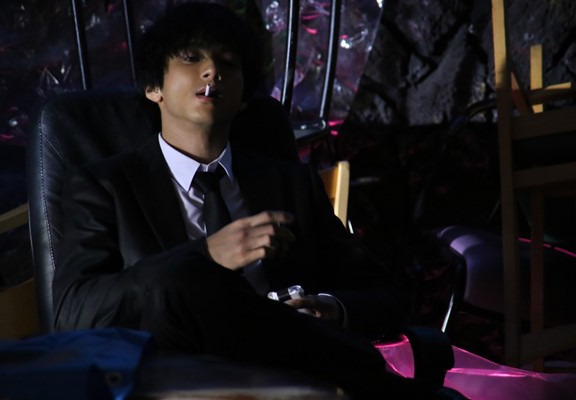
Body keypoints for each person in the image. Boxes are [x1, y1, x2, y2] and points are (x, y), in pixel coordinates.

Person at [54, 2, 463, 398]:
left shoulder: (290, 184)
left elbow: (383, 293)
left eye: (228, 63)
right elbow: (73, 313)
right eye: (192, 58)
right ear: (153, 87)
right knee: (183, 284)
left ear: (245, 97)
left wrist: (331, 308)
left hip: (294, 372)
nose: (212, 71)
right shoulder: (103, 186)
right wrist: (206, 255)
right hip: (181, 379)